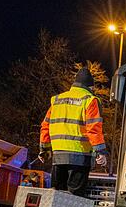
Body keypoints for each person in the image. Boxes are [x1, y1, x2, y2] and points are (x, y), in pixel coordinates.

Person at [39, 67, 108, 197]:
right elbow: (93, 128)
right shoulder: (90, 100)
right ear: (90, 87)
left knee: (57, 197)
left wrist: (44, 149)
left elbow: (45, 126)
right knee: (74, 198)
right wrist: (101, 152)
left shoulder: (57, 100)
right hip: (79, 157)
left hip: (58, 157)